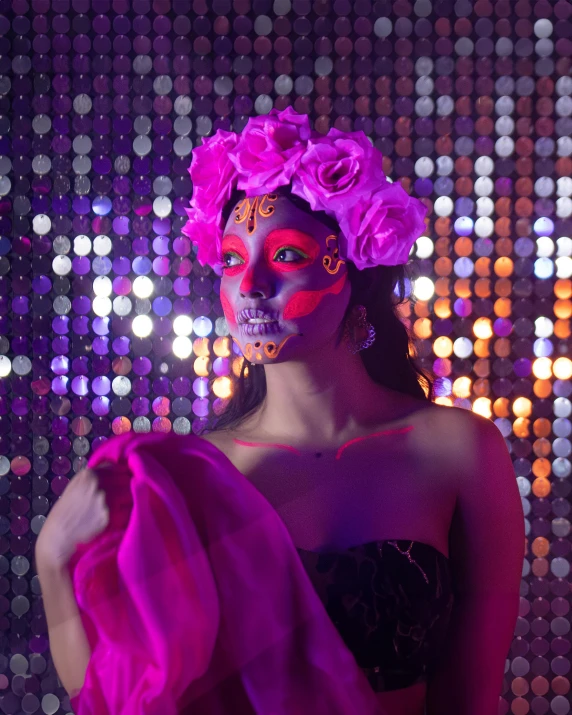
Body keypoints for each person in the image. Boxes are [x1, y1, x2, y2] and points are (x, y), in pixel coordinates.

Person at [35, 107, 525, 715]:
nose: (251, 285)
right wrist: (53, 561)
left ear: (355, 271)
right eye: (234, 260)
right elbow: (126, 695)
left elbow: (473, 698)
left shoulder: (458, 450)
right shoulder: (193, 475)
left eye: (288, 256)